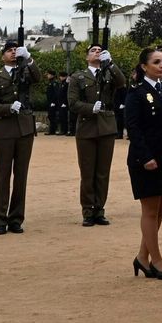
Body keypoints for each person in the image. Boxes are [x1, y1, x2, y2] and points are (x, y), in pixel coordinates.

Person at [126, 46, 162, 278]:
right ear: (144, 66)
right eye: (156, 62)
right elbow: (134, 128)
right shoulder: (136, 93)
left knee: (161, 210)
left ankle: (141, 257)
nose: (161, 66)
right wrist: (145, 156)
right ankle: (156, 261)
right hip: (145, 158)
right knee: (149, 210)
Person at [0, 41, 41, 233]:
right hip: (5, 129)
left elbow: (38, 77)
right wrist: (8, 108)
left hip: (25, 129)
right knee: (3, 176)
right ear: (2, 56)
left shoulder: (26, 71)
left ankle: (16, 218)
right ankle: (1, 219)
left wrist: (29, 58)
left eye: (15, 50)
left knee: (21, 176)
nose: (12, 53)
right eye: (9, 51)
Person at [68, 41, 125, 227]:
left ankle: (99, 209)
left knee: (102, 172)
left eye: (100, 50)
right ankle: (87, 210)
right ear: (87, 57)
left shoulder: (109, 72)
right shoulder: (78, 76)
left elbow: (122, 82)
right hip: (87, 126)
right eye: (93, 51)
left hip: (106, 126)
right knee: (87, 171)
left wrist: (111, 63)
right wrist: (90, 108)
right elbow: (73, 103)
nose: (97, 52)